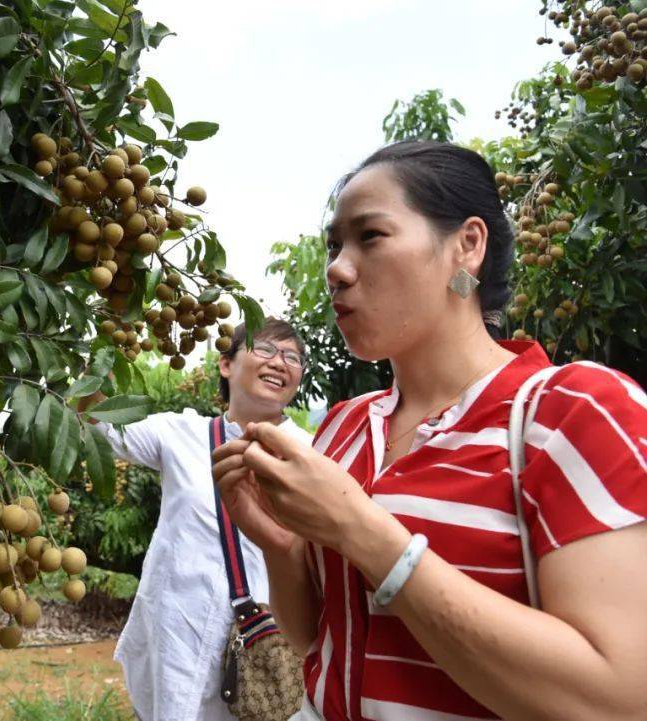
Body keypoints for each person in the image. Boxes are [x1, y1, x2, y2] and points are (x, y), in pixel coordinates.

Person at [212, 140, 647, 721]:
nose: (337, 269)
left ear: (466, 246)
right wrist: (282, 545)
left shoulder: (574, 411)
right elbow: (317, 643)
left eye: (370, 236)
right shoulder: (342, 428)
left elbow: (618, 700)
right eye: (334, 245)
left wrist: (365, 533)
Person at [83, 319, 313, 721]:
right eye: (265, 349)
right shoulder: (179, 433)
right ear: (226, 364)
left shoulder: (316, 453)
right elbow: (99, 425)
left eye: (292, 357)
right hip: (177, 637)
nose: (280, 362)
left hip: (268, 645)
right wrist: (104, 344)